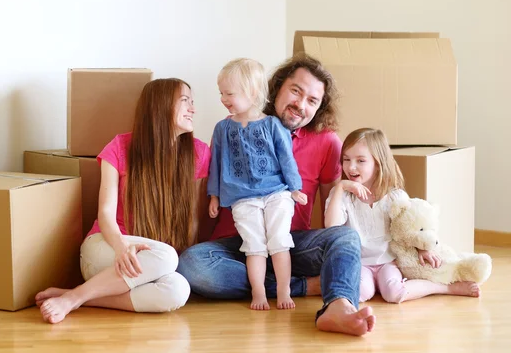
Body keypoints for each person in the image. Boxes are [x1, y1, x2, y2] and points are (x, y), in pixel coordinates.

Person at [178, 53, 376, 336]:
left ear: (319, 108)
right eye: (296, 91)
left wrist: (333, 251)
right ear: (277, 87)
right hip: (238, 244)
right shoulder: (232, 127)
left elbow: (330, 210)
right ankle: (306, 286)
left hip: (290, 242)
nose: (300, 104)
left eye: (312, 100)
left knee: (345, 237)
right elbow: (215, 183)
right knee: (192, 265)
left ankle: (339, 306)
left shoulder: (328, 142)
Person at [35, 78, 211, 324]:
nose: (193, 108)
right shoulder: (119, 147)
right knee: (167, 257)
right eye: (185, 101)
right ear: (159, 105)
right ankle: (73, 300)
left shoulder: (199, 152)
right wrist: (121, 249)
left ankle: (76, 296)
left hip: (151, 261)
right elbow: (105, 213)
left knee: (178, 289)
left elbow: (192, 218)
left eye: (192, 102)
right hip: (106, 248)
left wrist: (171, 261)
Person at [324, 127, 481, 303]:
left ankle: (446, 288)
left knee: (394, 294)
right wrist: (340, 188)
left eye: (361, 160)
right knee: (359, 294)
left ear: (378, 163)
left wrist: (422, 248)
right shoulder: (343, 197)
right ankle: (375, 286)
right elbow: (331, 225)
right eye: (346, 159)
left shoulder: (394, 196)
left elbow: (410, 227)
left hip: (388, 261)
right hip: (360, 263)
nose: (351, 166)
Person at [208, 58, 308, 310]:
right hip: (243, 198)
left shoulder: (273, 125)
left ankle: (285, 291)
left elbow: (286, 158)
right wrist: (214, 196)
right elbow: (217, 163)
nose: (223, 98)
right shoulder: (222, 129)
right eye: (221, 93)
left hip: (277, 193)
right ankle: (259, 292)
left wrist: (294, 187)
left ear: (251, 92)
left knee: (279, 241)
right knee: (254, 246)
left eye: (229, 93)